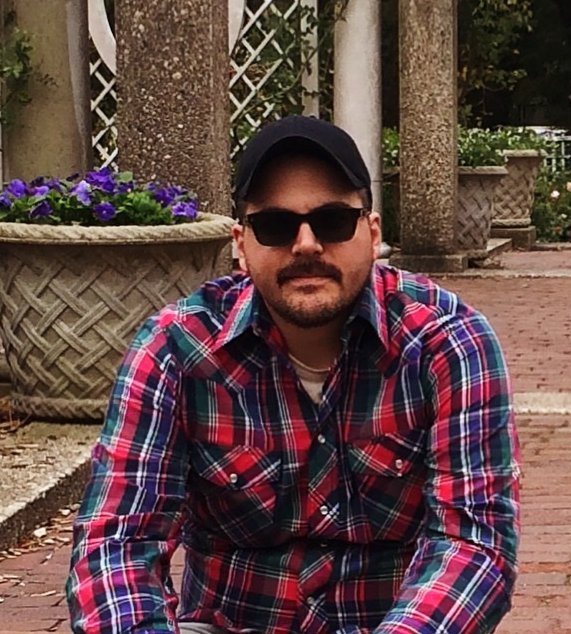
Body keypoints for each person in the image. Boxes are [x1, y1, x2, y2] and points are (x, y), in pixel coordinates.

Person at [67, 116, 520, 634]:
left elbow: (474, 545)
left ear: (372, 234)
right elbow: (117, 542)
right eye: (276, 226)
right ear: (241, 244)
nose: (306, 244)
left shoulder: (447, 343)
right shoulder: (176, 349)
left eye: (333, 220)